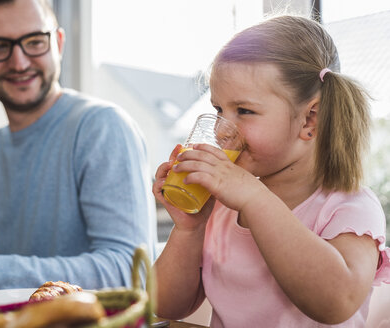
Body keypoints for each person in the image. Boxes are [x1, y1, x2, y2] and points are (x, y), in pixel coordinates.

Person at [0, 0, 156, 290]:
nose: (19, 63)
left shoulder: (103, 127)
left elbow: (130, 273)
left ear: (58, 43)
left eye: (34, 42)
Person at [152, 14, 390, 327]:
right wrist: (190, 228)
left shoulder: (349, 207)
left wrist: (254, 198)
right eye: (218, 109)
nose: (223, 130)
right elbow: (165, 305)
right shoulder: (222, 205)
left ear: (309, 120)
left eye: (244, 111)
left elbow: (336, 302)